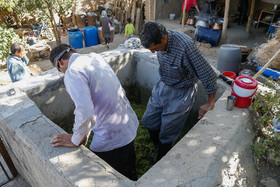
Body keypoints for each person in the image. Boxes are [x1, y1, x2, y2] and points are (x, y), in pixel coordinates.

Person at [49, 44, 139, 181]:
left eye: (59, 70)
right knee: (129, 170)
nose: (62, 72)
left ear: (60, 63)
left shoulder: (72, 72)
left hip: (111, 135)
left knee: (112, 176)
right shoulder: (94, 57)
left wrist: (76, 138)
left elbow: (84, 111)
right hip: (127, 124)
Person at [139, 21, 217, 162]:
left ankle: (161, 159)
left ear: (163, 38)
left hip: (181, 92)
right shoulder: (158, 39)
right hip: (163, 85)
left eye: (155, 49)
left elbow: (208, 74)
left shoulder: (186, 46)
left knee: (168, 132)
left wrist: (210, 102)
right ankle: (158, 146)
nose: (153, 52)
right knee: (148, 120)